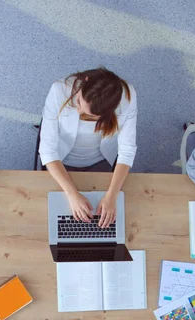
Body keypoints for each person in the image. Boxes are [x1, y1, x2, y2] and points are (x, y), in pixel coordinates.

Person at [38, 67, 137, 227]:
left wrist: (112, 197)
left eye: (88, 115)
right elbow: (47, 150)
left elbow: (127, 151)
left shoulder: (127, 97)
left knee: (102, 222)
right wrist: (71, 194)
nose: (78, 111)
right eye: (78, 102)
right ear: (84, 82)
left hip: (101, 161)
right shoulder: (59, 90)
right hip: (61, 159)